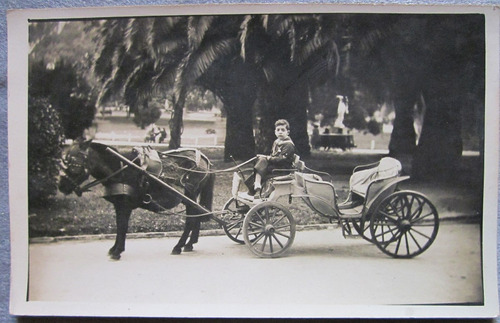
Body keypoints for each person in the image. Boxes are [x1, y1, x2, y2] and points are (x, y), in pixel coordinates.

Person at [252, 119, 296, 198]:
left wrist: (269, 158)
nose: (280, 132)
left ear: (287, 132)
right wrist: (267, 157)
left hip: (282, 169)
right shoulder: (277, 142)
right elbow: (273, 155)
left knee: (262, 164)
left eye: (283, 130)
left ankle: (254, 188)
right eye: (278, 130)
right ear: (275, 132)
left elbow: (282, 159)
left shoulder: (288, 145)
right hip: (276, 166)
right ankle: (255, 186)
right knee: (261, 161)